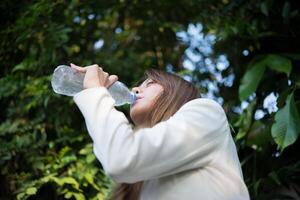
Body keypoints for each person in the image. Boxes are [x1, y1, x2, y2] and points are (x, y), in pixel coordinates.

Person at [70, 63, 250, 200]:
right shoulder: (144, 173)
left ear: (175, 92)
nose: (135, 89)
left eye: (150, 83)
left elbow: (121, 158)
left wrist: (95, 92)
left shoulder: (206, 112)